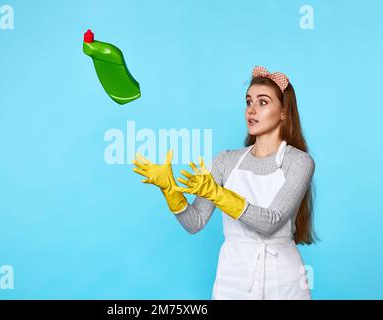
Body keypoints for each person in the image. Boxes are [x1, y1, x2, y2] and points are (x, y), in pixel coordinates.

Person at [132, 66, 316, 300]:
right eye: (248, 102)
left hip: (284, 279)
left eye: (263, 102)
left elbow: (271, 222)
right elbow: (194, 223)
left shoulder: (299, 162)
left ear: (283, 112)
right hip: (234, 277)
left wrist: (218, 194)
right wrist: (169, 191)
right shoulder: (225, 161)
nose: (251, 110)